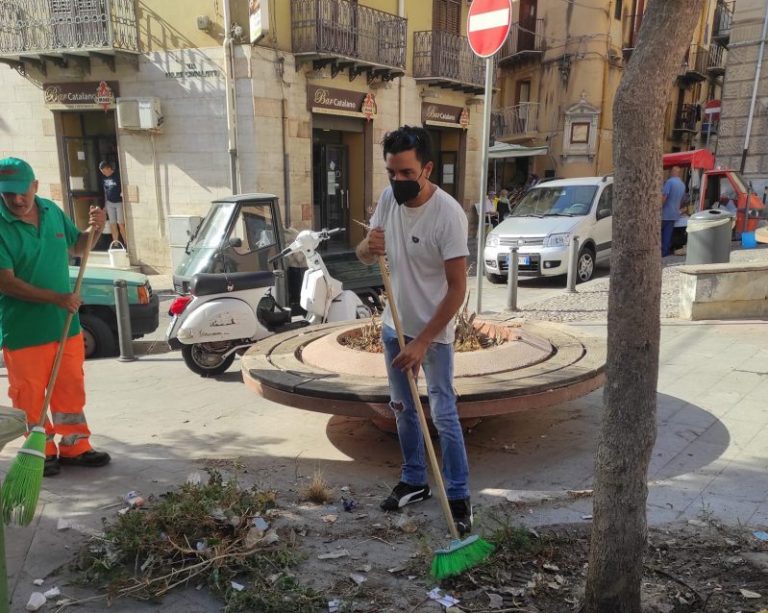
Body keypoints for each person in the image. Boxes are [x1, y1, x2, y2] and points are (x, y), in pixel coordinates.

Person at [355, 126, 473, 535]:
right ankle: (414, 480)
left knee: (443, 415)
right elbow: (364, 256)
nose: (398, 182)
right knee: (404, 411)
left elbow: (458, 290)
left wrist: (423, 340)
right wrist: (368, 246)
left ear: (427, 168)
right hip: (395, 327)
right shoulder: (388, 199)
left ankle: (458, 496)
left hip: (433, 336)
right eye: (392, 173)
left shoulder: (448, 215)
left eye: (407, 174)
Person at [0, 157, 111, 477]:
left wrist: (96, 228)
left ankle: (75, 445)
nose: (17, 200)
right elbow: (6, 282)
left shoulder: (50, 211)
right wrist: (58, 298)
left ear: (34, 186)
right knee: (31, 393)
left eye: (22, 192)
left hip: (64, 323)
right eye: (9, 194)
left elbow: (79, 246)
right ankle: (41, 450)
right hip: (24, 330)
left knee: (70, 387)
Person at [98, 161, 128, 247]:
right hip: (109, 203)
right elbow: (105, 192)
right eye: (102, 172)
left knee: (121, 224)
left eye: (104, 171)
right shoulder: (104, 179)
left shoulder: (118, 176)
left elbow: (124, 187)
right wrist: (105, 205)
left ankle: (126, 244)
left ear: (109, 168)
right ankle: (115, 243)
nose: (103, 173)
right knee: (112, 224)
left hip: (119, 202)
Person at [661, 166, 686, 257]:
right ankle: (665, 252)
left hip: (665, 213)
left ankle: (657, 252)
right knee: (667, 234)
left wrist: (658, 208)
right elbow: (682, 201)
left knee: (657, 233)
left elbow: (664, 197)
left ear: (672, 172)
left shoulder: (669, 182)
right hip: (674, 214)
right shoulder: (682, 185)